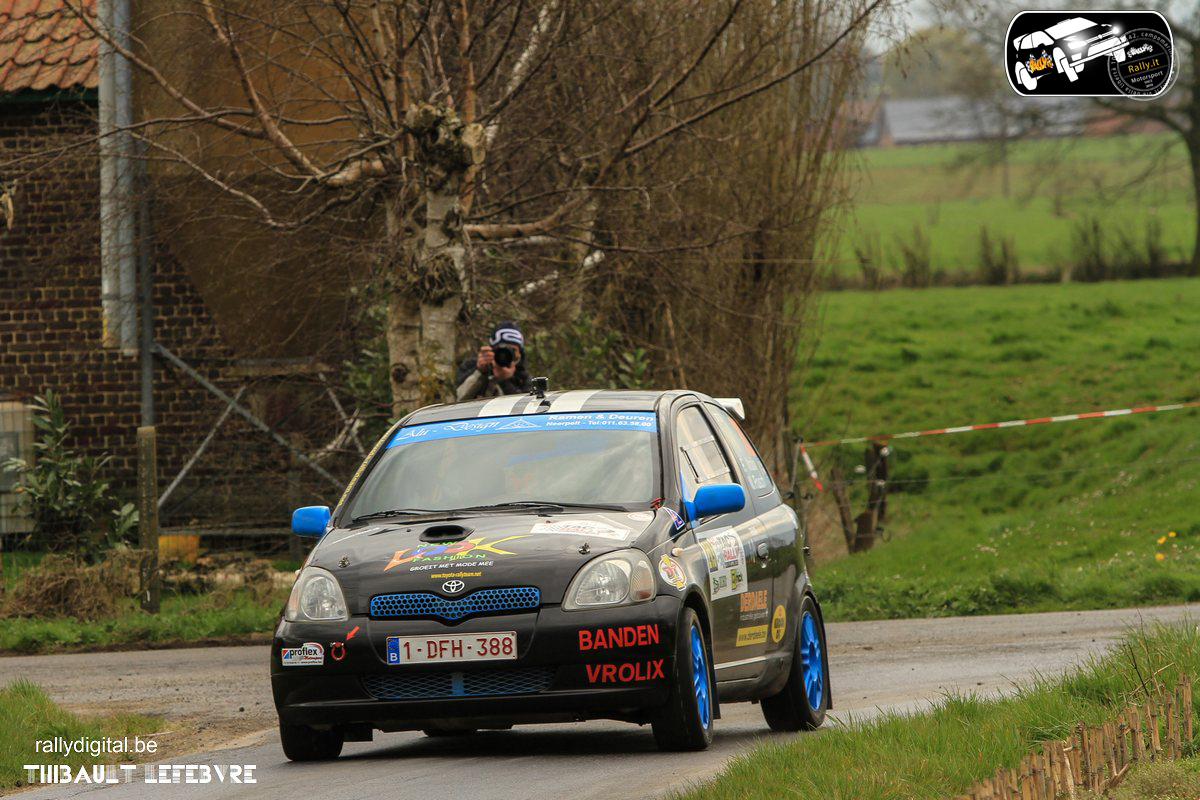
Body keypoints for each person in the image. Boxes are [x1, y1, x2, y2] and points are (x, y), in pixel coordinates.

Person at [455, 321, 532, 401]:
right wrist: (480, 372)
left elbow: (524, 405)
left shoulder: (523, 378)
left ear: (520, 354)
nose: (506, 354)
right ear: (491, 350)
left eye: (513, 350)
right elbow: (459, 400)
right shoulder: (471, 366)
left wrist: (505, 381)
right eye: (502, 349)